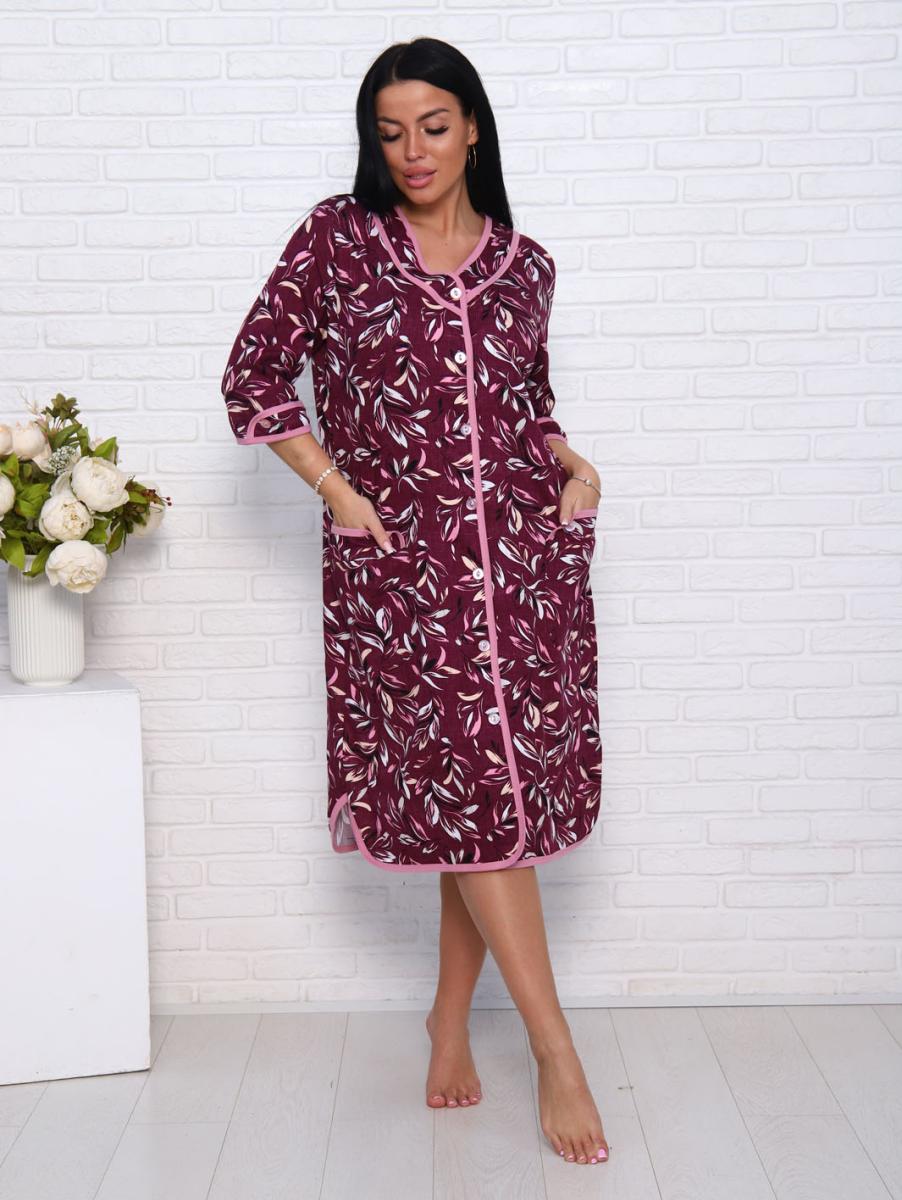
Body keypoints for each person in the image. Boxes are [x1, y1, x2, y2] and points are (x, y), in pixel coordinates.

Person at [221, 37, 608, 1167]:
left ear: (473, 127)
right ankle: (556, 1052)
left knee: (478, 801)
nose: (412, 151)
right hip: (402, 577)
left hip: (524, 566)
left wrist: (572, 467)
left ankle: (447, 1022)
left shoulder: (527, 265)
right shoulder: (337, 241)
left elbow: (526, 401)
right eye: (390, 133)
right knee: (469, 790)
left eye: (433, 127)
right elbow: (252, 374)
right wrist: (337, 490)